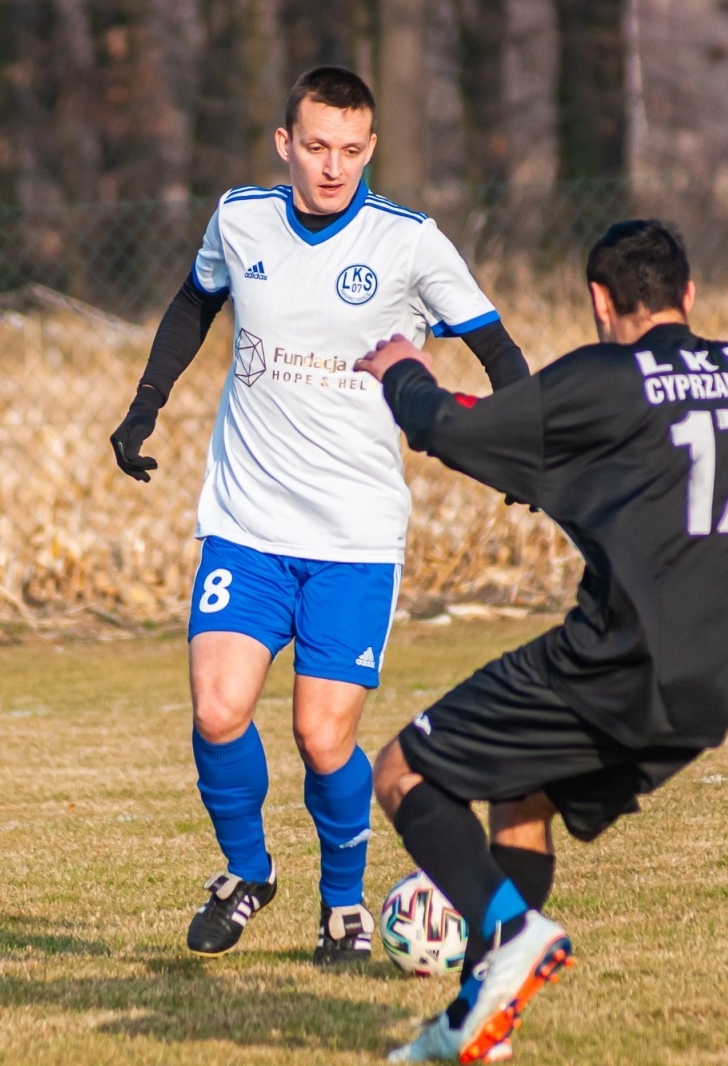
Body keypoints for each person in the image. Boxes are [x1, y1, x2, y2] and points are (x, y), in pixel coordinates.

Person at [353, 219, 728, 1063]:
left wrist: (402, 370)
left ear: (598, 299)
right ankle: (480, 1020)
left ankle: (510, 931)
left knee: (404, 771)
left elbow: (451, 429)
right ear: (688, 295)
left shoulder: (602, 380)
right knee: (522, 798)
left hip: (622, 658)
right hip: (727, 678)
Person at [109, 66, 531, 965]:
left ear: (369, 148)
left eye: (349, 149)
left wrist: (524, 447)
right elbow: (194, 302)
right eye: (315, 147)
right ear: (285, 144)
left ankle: (342, 907)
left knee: (321, 735)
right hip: (248, 524)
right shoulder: (240, 218)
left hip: (354, 538)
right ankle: (248, 872)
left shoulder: (409, 242)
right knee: (218, 710)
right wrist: (145, 406)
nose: (332, 166)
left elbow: (498, 350)